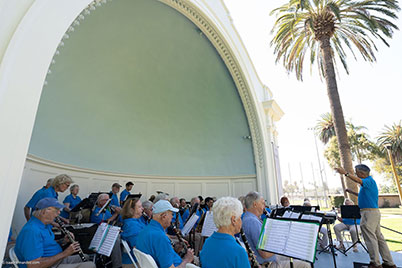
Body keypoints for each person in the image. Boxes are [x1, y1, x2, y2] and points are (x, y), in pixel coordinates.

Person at [336, 164, 396, 268]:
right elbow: (365, 196)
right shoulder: (369, 183)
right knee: (379, 237)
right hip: (373, 213)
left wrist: (345, 173)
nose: (355, 174)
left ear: (361, 173)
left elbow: (359, 181)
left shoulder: (368, 180)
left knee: (370, 237)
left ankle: (375, 263)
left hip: (368, 213)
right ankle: (389, 263)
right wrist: (352, 192)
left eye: (356, 172)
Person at [15, 198, 95, 268]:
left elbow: (46, 244)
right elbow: (33, 265)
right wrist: (65, 253)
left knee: (86, 257)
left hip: (54, 260)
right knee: (90, 265)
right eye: (56, 210)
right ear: (44, 212)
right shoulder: (32, 231)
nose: (59, 213)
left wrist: (63, 241)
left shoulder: (44, 225)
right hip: (47, 265)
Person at [242, 191, 309, 268]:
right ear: (255, 204)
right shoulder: (252, 222)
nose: (264, 206)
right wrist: (283, 244)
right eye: (262, 203)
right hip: (267, 264)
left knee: (298, 255)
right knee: (305, 265)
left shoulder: (249, 218)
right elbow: (265, 254)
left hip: (269, 259)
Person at [136, 200, 194, 268]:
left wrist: (173, 249)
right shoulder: (160, 237)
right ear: (163, 216)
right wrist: (187, 259)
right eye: (171, 214)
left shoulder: (145, 230)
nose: (172, 217)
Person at [200, 197, 249, 268]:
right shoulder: (239, 251)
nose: (241, 221)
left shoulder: (207, 243)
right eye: (240, 217)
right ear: (233, 220)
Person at [90, 193, 122, 267]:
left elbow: (112, 221)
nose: (108, 202)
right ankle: (117, 265)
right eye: (106, 200)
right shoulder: (96, 212)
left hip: (108, 231)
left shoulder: (106, 211)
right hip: (100, 235)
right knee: (116, 239)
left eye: (108, 200)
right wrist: (116, 214)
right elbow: (106, 223)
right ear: (100, 201)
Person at [120, 197, 145, 268]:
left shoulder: (137, 221)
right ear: (131, 210)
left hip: (140, 259)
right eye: (139, 207)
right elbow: (138, 247)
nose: (142, 208)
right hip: (134, 262)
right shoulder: (131, 225)